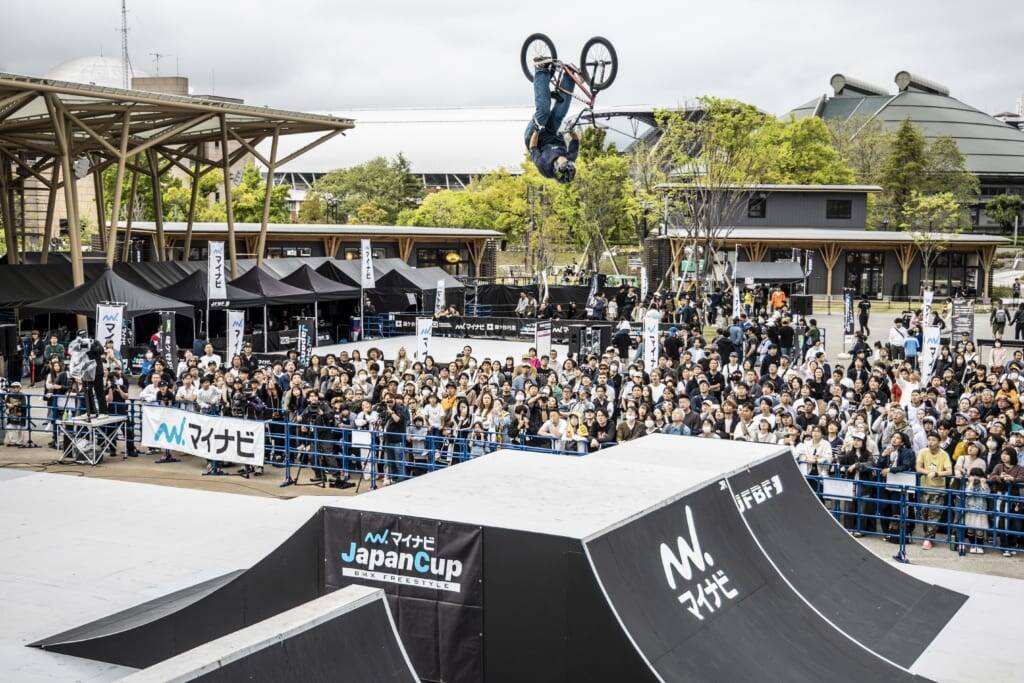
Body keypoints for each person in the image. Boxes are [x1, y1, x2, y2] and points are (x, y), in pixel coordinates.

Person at [524, 59, 579, 183]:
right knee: (560, 113)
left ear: (557, 166)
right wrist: (571, 132)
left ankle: (541, 69)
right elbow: (575, 141)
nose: (565, 158)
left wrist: (537, 130)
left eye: (563, 160)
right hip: (551, 132)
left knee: (544, 112)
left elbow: (533, 147)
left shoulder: (544, 167)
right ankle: (569, 76)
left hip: (534, 138)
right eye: (567, 160)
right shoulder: (571, 158)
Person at [916, 432, 952, 550]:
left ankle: (928, 539)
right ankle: (929, 536)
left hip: (938, 489)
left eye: (933, 440)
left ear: (939, 442)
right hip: (924, 487)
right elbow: (918, 467)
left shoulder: (944, 454)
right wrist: (928, 472)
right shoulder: (923, 452)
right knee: (924, 514)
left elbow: (949, 471)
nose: (930, 442)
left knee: (935, 514)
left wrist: (937, 473)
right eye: (929, 440)